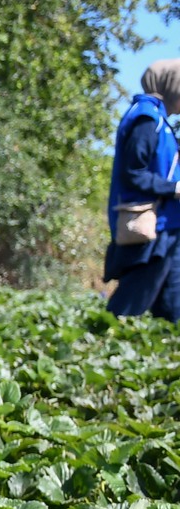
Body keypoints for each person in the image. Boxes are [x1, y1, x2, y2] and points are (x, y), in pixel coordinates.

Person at [104, 59, 180, 320]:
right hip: (151, 228)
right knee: (130, 305)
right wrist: (174, 189)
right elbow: (133, 172)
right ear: (172, 85)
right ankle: (101, 347)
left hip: (169, 228)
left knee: (171, 307)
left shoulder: (160, 120)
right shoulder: (146, 118)